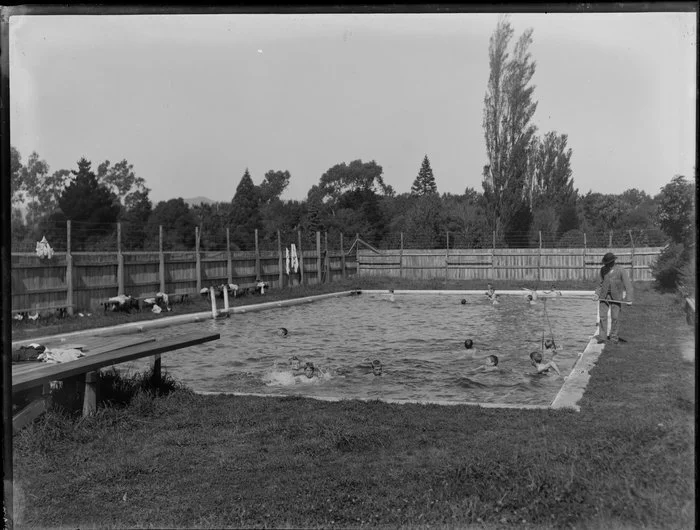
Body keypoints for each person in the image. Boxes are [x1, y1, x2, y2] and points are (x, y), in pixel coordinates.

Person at [593, 252, 633, 344]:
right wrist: (596, 294)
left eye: (609, 262)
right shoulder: (603, 270)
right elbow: (600, 284)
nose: (608, 264)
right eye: (606, 263)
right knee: (603, 317)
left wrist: (629, 299)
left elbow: (628, 285)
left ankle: (613, 337)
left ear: (613, 261)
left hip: (616, 297)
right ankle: (602, 337)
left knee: (615, 317)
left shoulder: (621, 270)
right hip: (604, 296)